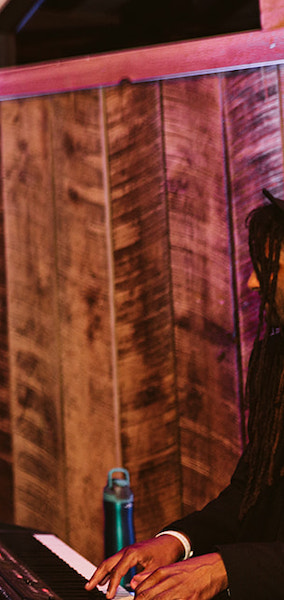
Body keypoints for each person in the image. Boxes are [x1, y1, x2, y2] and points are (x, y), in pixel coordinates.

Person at [88, 192, 284, 600]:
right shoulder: (276, 361)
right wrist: (177, 541)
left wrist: (226, 569)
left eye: (273, 267)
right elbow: (250, 494)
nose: (252, 281)